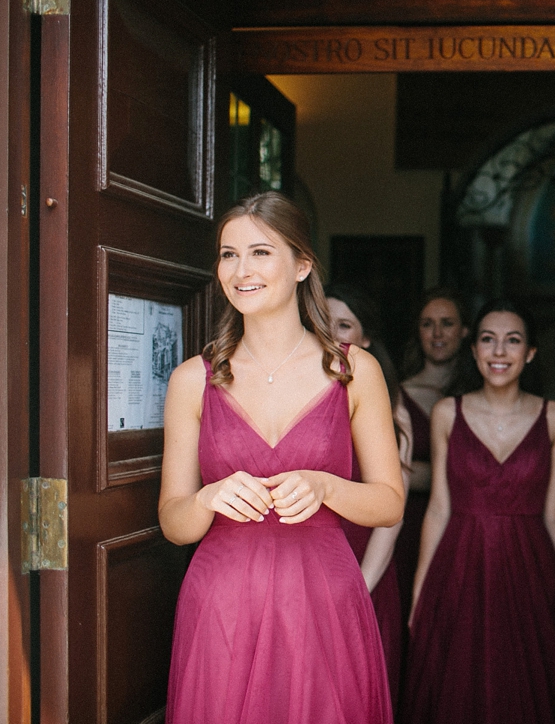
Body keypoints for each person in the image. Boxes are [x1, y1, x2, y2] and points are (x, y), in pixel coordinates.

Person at [159, 192, 406, 724]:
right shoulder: (190, 380)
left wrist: (326, 488)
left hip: (323, 601)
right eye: (228, 254)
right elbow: (175, 524)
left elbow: (389, 503)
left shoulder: (354, 370)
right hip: (221, 604)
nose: (240, 269)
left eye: (260, 252)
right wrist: (207, 496)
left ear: (302, 264)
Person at [403, 300, 555, 724]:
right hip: (458, 565)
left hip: (531, 569)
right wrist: (418, 594)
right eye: (488, 339)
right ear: (474, 350)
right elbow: (439, 509)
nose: (499, 352)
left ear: (531, 353)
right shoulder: (448, 413)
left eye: (513, 341)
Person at [326, 283, 413, 704]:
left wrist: (361, 587)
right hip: (312, 565)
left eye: (344, 325)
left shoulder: (393, 410)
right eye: (322, 321)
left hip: (367, 570)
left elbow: (391, 518)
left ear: (365, 340)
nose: (331, 332)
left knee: (356, 694)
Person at [395, 288, 473, 618]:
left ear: (465, 331)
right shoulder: (397, 394)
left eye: (447, 323)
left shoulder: (481, 395)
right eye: (428, 324)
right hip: (409, 522)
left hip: (466, 526)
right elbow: (385, 471)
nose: (437, 333)